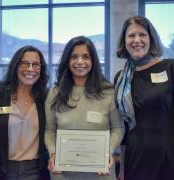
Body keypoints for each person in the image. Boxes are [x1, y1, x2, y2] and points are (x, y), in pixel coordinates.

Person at [44, 36, 124, 180]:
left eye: (86, 57)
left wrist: (108, 150)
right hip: (62, 173)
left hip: (101, 172)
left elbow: (118, 127)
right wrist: (53, 153)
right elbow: (49, 130)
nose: (80, 61)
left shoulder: (108, 91)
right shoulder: (55, 93)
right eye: (74, 57)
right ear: (67, 61)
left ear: (93, 61)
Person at [114, 15, 174, 180]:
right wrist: (123, 169)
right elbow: (124, 128)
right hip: (135, 159)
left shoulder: (170, 67)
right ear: (125, 41)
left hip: (168, 157)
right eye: (131, 35)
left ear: (151, 39)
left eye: (142, 34)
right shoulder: (121, 79)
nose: (137, 40)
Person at [0, 45, 50, 180]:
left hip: (36, 171)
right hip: (1, 170)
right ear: (15, 66)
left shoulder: (45, 99)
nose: (30, 69)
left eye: (36, 64)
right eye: (24, 63)